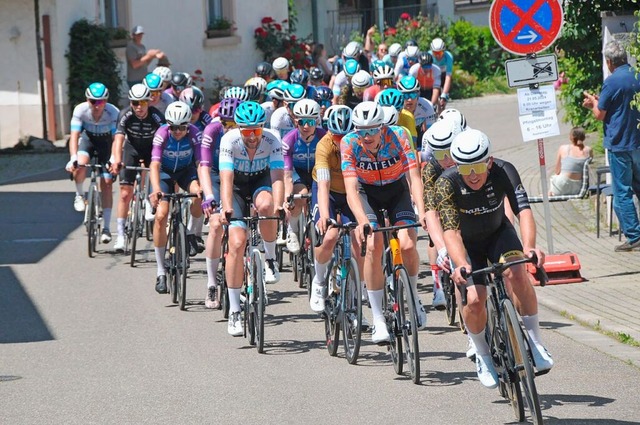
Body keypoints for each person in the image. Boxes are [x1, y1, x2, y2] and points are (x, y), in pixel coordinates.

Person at [435, 129, 554, 388]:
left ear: (489, 161)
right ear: (456, 166)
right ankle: (482, 354)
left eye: (478, 166)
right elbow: (451, 231)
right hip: (467, 246)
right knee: (475, 299)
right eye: (466, 169)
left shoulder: (504, 170)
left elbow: (523, 212)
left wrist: (531, 247)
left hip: (498, 233)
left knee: (518, 273)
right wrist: (461, 263)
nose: (473, 175)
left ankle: (536, 343)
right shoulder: (446, 183)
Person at [340, 102, 427, 343]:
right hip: (367, 193)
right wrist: (361, 221)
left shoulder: (400, 136)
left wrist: (420, 208)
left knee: (408, 244)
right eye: (361, 131)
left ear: (382, 127)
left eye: (371, 130)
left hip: (396, 190)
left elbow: (413, 176)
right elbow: (350, 189)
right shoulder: (348, 143)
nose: (366, 136)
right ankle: (378, 318)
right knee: (373, 244)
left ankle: (413, 296)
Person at [218, 101, 284, 335]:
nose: (253, 136)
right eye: (247, 131)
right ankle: (235, 309)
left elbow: (277, 176)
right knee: (236, 243)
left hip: (260, 182)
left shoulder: (272, 139)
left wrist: (279, 204)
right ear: (238, 129)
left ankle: (270, 258)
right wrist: (226, 207)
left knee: (267, 206)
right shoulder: (229, 140)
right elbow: (226, 178)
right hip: (236, 187)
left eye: (257, 130)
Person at [583, 40, 640, 252]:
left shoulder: (612, 81)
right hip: (638, 142)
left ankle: (634, 236)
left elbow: (600, 114)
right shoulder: (637, 75)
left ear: (609, 61)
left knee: (622, 192)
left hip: (620, 143)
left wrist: (593, 104)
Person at [148, 101, 203, 293]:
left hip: (186, 171)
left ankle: (190, 234)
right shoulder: (162, 134)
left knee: (199, 193)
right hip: (165, 173)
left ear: (188, 125)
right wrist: (156, 190)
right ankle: (161, 271)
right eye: (173, 127)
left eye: (182, 127)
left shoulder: (195, 133)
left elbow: (200, 162)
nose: (178, 131)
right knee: (161, 215)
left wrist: (204, 186)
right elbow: (154, 165)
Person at [110, 84, 165, 252]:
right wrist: (116, 160)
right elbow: (119, 139)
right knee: (125, 193)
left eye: (142, 103)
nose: (139, 107)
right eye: (135, 103)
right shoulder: (125, 114)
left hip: (151, 149)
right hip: (132, 149)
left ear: (149, 102)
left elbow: (164, 138)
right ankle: (120, 236)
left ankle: (149, 200)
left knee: (154, 172)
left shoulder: (156, 116)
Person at [199, 98, 242, 309]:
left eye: (232, 123)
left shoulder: (249, 134)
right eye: (224, 122)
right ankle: (212, 283)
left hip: (240, 177)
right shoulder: (212, 130)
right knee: (216, 225)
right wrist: (208, 195)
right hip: (217, 176)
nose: (227, 127)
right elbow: (204, 166)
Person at [65, 83, 119, 243]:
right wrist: (73, 157)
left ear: (106, 101)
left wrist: (114, 157)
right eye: (93, 101)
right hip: (87, 141)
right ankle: (79, 194)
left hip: (106, 144)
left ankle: (107, 228)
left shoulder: (113, 112)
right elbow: (74, 136)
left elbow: (117, 138)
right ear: (87, 100)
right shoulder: (80, 110)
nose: (97, 105)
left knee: (107, 182)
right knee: (80, 164)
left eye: (101, 102)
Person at [281, 99, 327, 254]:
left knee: (320, 199)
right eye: (302, 122)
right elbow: (287, 175)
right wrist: (288, 197)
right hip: (297, 172)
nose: (306, 126)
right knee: (299, 197)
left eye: (310, 122)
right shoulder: (289, 140)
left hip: (317, 172)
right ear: (296, 121)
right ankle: (292, 230)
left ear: (317, 121)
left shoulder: (324, 137)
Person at [549, 127, 593, 196]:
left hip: (561, 186)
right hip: (577, 188)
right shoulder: (588, 150)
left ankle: (551, 192)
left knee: (554, 177)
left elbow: (557, 171)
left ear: (571, 137)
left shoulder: (563, 148)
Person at [429, 38, 454, 111]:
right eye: (435, 53)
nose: (437, 56)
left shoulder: (448, 57)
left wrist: (444, 94)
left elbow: (448, 76)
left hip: (444, 76)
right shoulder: (429, 56)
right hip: (433, 76)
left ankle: (441, 115)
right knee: (434, 97)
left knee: (442, 101)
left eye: (439, 53)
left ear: (444, 51)